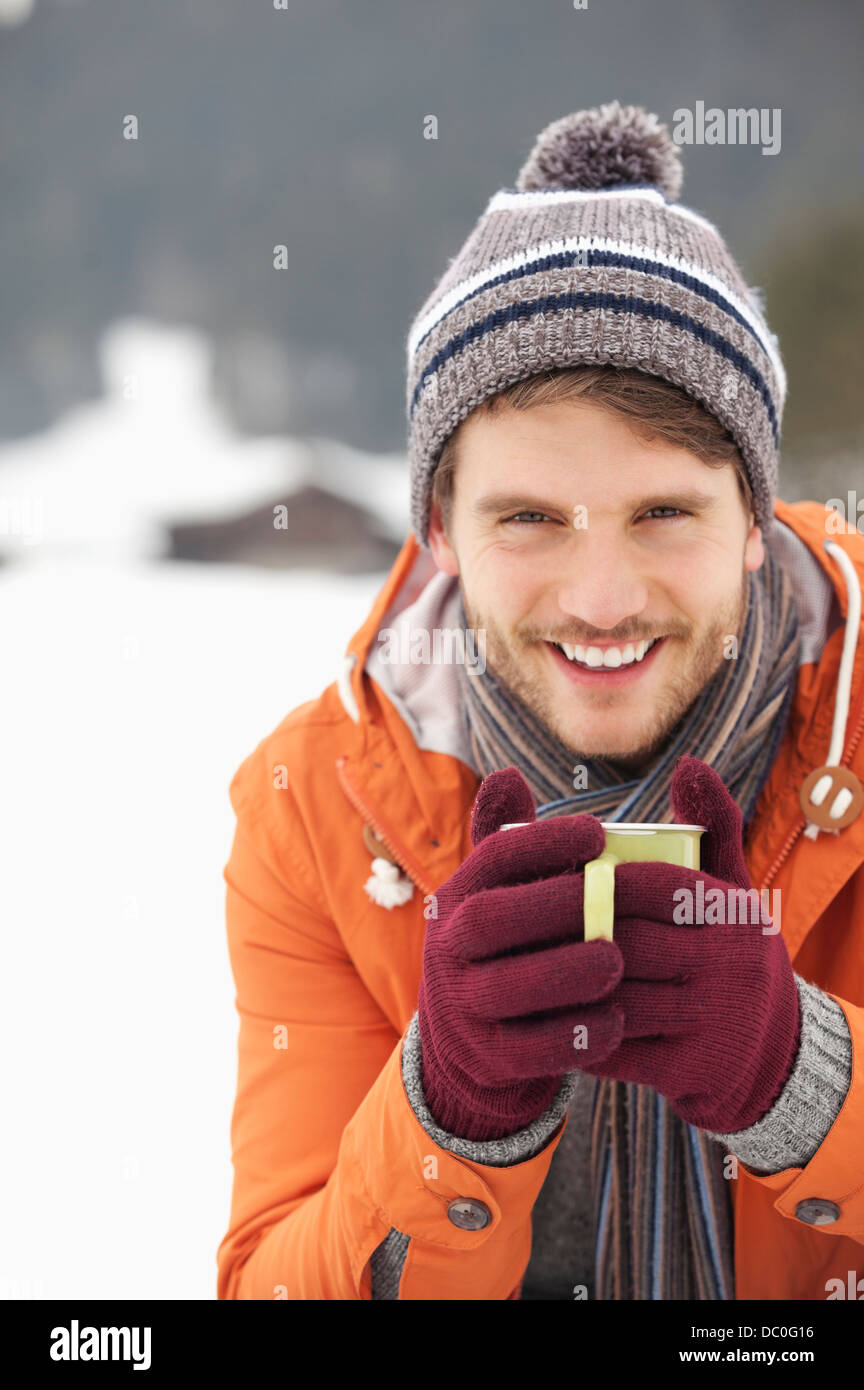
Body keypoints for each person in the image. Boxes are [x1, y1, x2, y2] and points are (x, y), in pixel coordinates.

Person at [216, 103, 864, 1301]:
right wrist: (445, 1116)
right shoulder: (315, 805)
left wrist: (802, 1081)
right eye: (529, 519)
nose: (604, 599)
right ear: (438, 532)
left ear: (757, 526)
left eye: (664, 512)